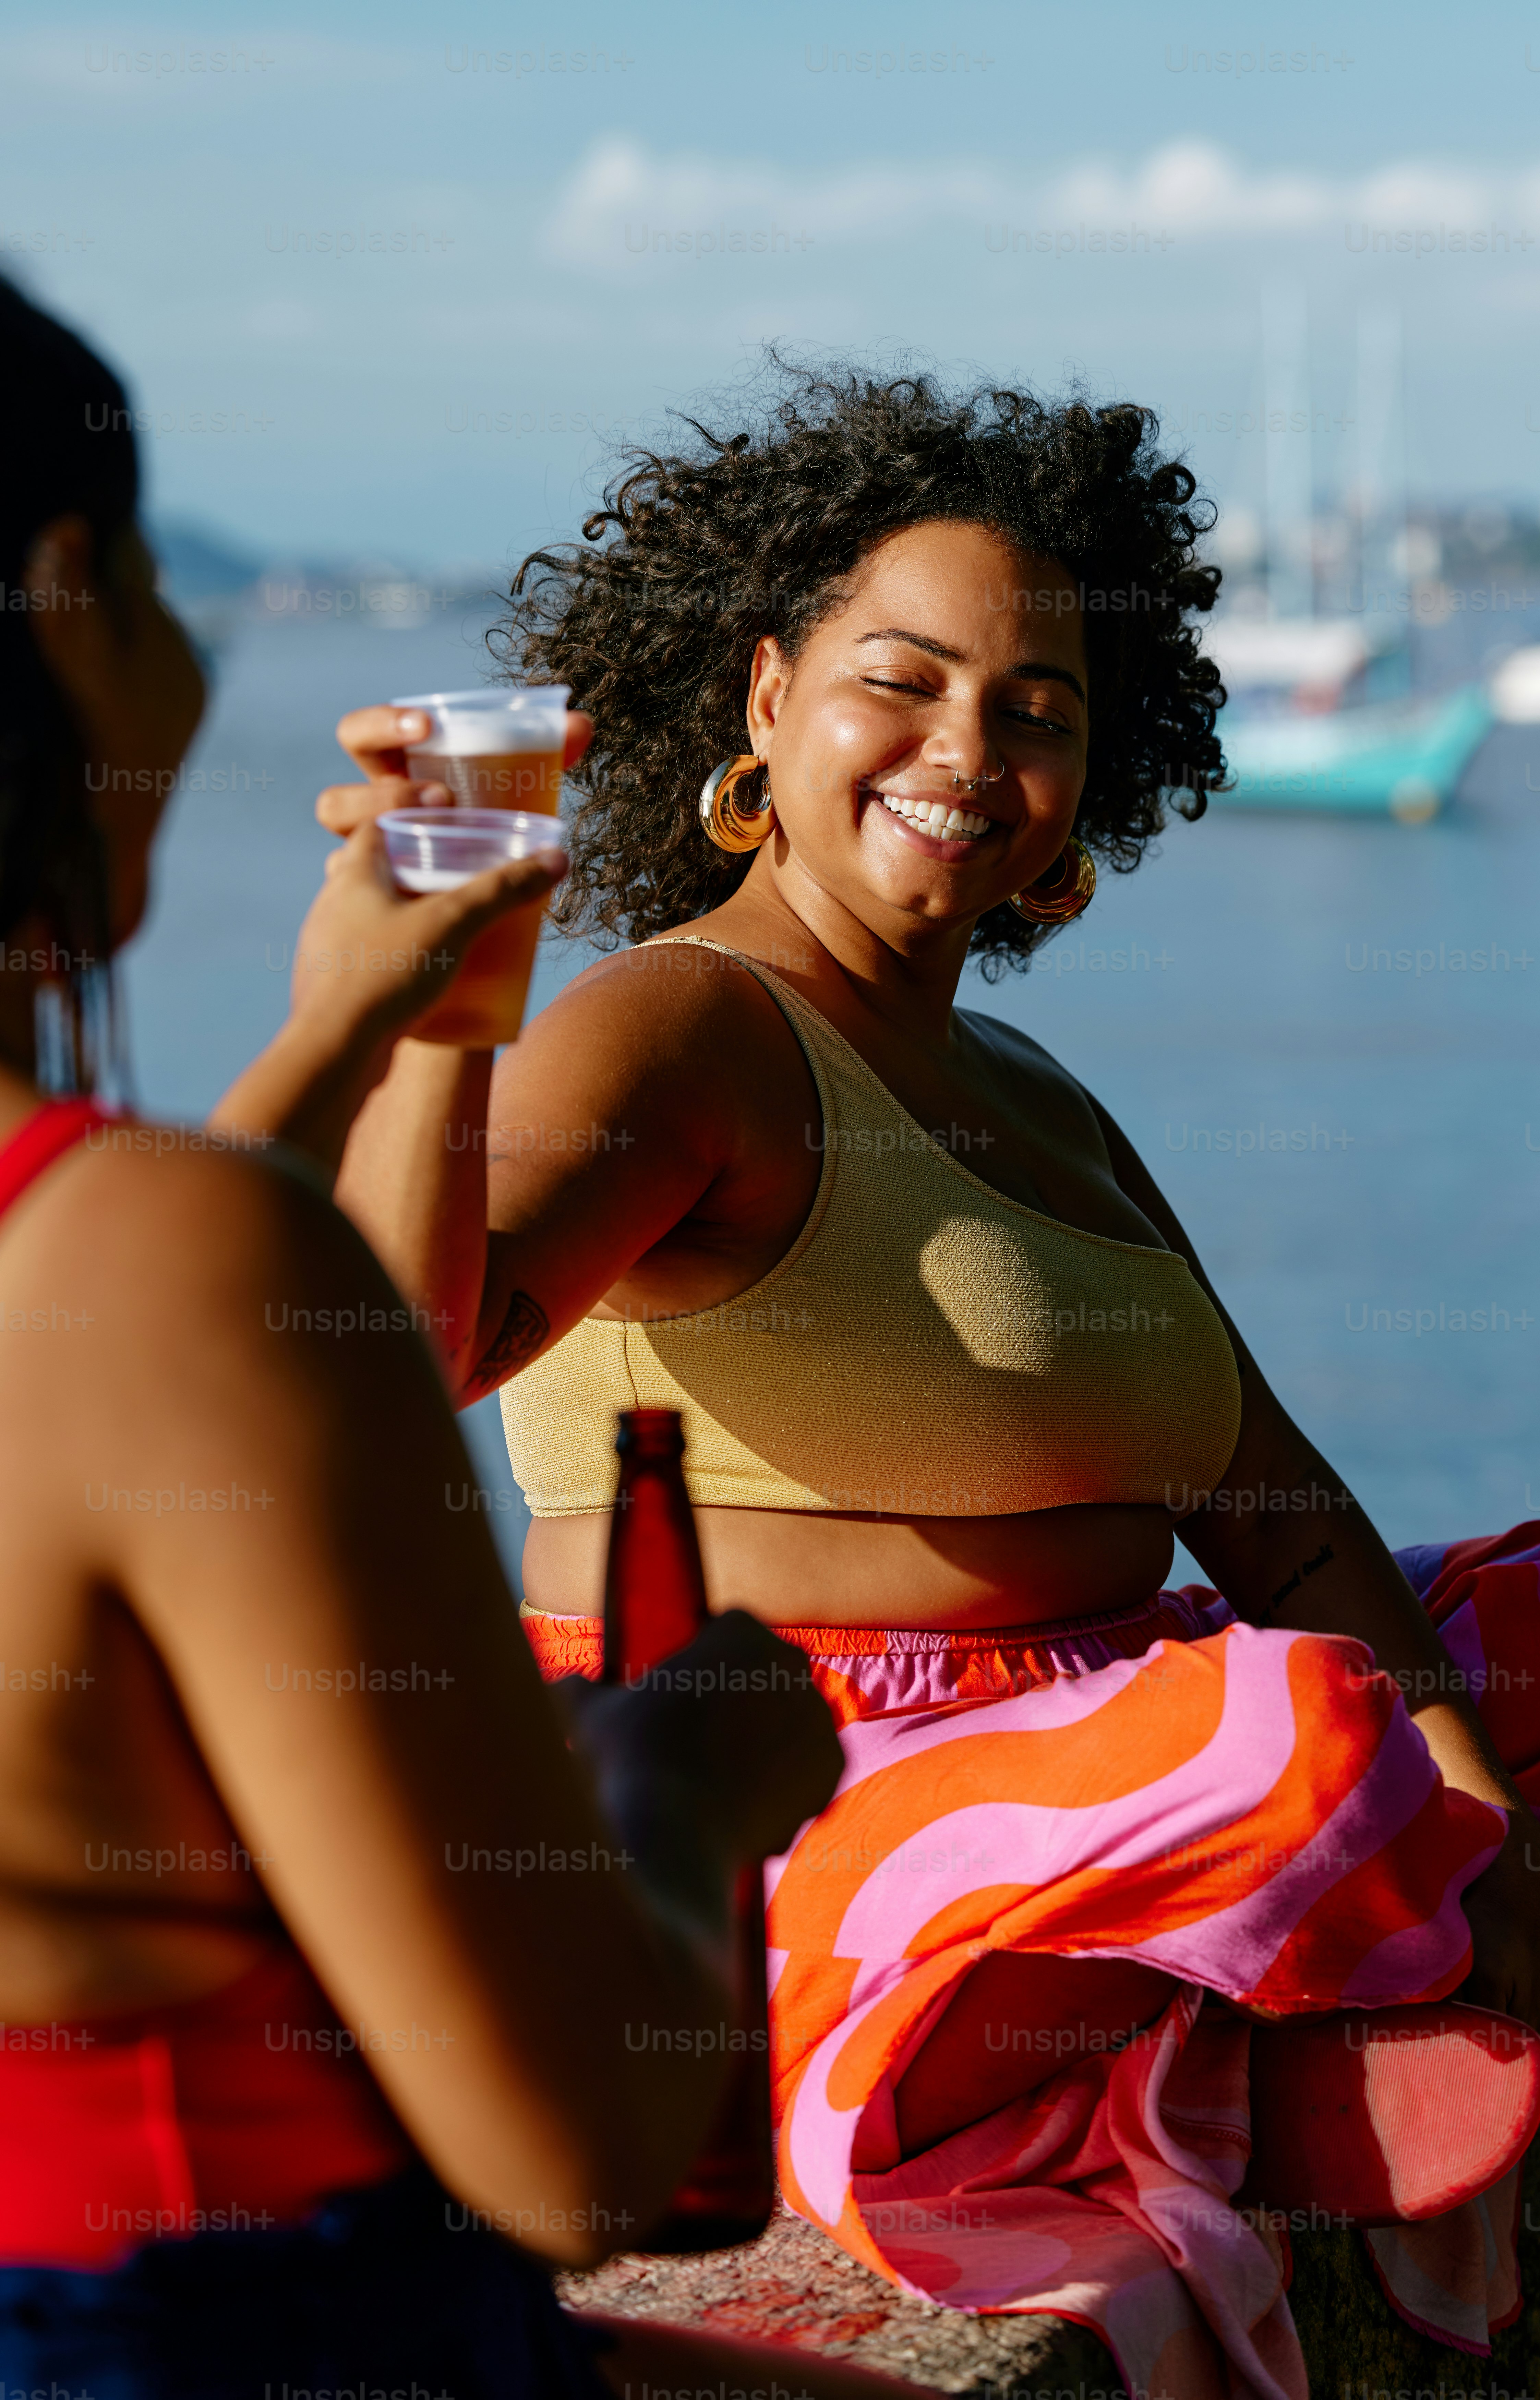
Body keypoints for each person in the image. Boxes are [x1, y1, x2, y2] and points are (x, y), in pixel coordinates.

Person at [321, 364, 1540, 2399]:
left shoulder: (1044, 1099)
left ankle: (1238, 2018)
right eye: (899, 683)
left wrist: (1460, 1762)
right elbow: (397, 1360)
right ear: (762, 699)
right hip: (784, 1784)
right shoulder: (684, 1026)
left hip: (1125, 1715)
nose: (966, 750)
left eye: (1038, 712)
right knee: (1295, 1725)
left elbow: (1271, 1499)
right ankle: (1195, 2042)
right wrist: (440, 1005)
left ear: (1098, 776)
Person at [0, 283, 884, 2400]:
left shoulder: (124, 1268)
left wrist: (348, 1029)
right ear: (61, 600)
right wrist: (688, 1769)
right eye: (146, 583)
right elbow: (580, 2139)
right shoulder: (161, 1268)